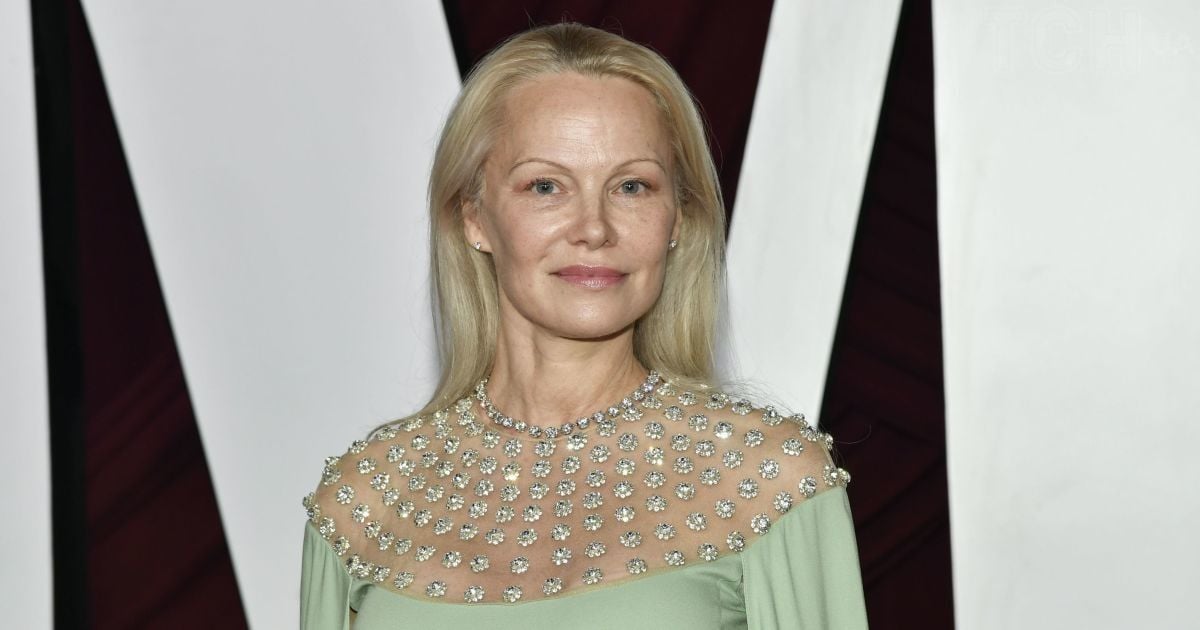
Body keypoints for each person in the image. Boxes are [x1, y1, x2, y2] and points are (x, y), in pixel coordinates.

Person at [299, 22, 867, 629]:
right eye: (546, 186)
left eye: (632, 187)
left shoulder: (771, 481)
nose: (594, 228)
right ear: (474, 217)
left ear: (677, 219)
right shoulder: (364, 501)